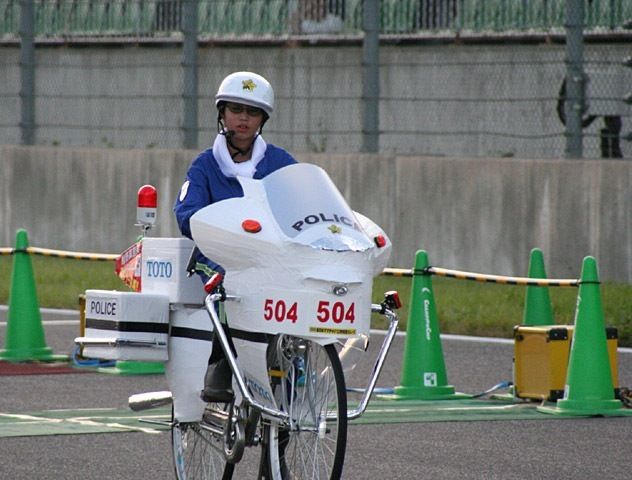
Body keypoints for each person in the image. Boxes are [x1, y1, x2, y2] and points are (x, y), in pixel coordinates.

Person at [173, 71, 298, 402]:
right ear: (222, 113)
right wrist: (221, 232)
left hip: (270, 256)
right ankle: (221, 364)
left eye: (253, 112)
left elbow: (302, 207)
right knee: (230, 282)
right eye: (236, 109)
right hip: (217, 256)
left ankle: (291, 364)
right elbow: (186, 213)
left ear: (262, 119)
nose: (243, 119)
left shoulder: (281, 162)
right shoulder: (204, 166)